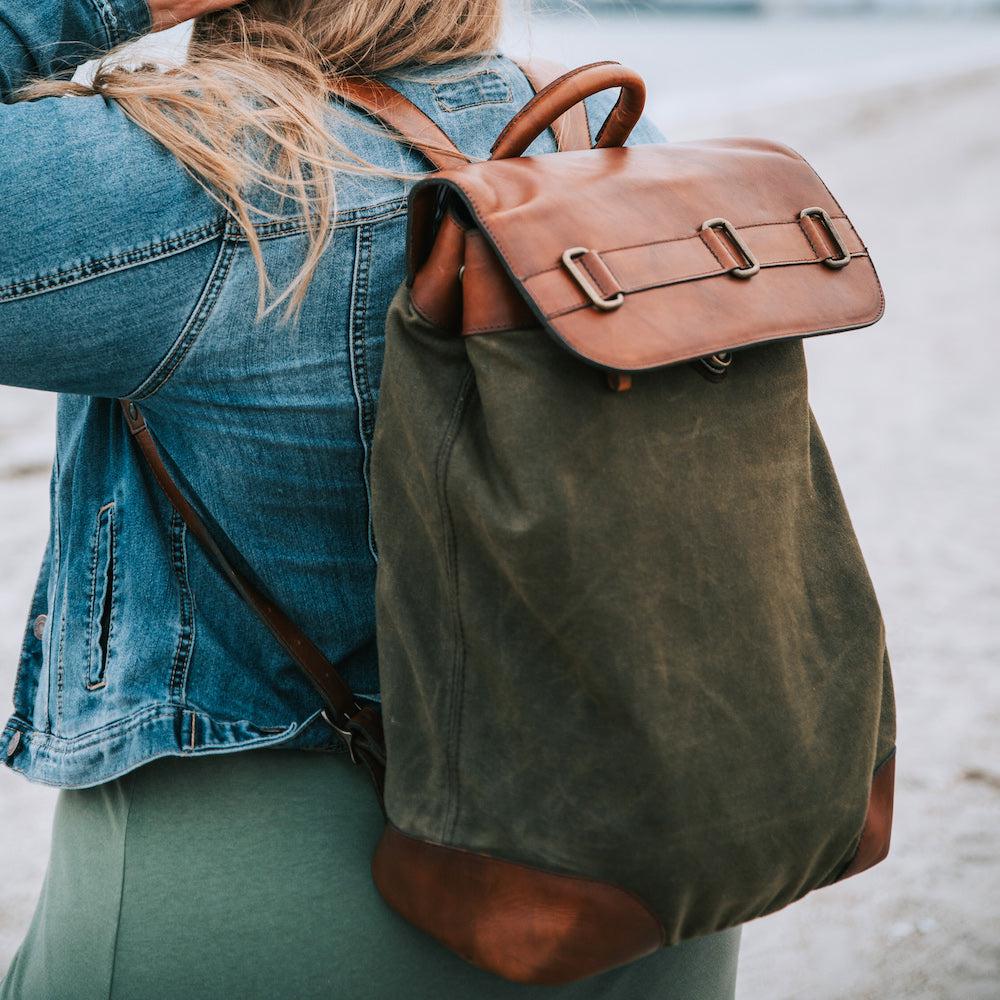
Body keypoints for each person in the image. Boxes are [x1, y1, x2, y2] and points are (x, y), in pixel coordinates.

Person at [0, 0, 742, 996]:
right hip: (650, 851)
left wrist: (94, 6)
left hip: (285, 877)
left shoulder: (200, 171)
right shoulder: (589, 126)